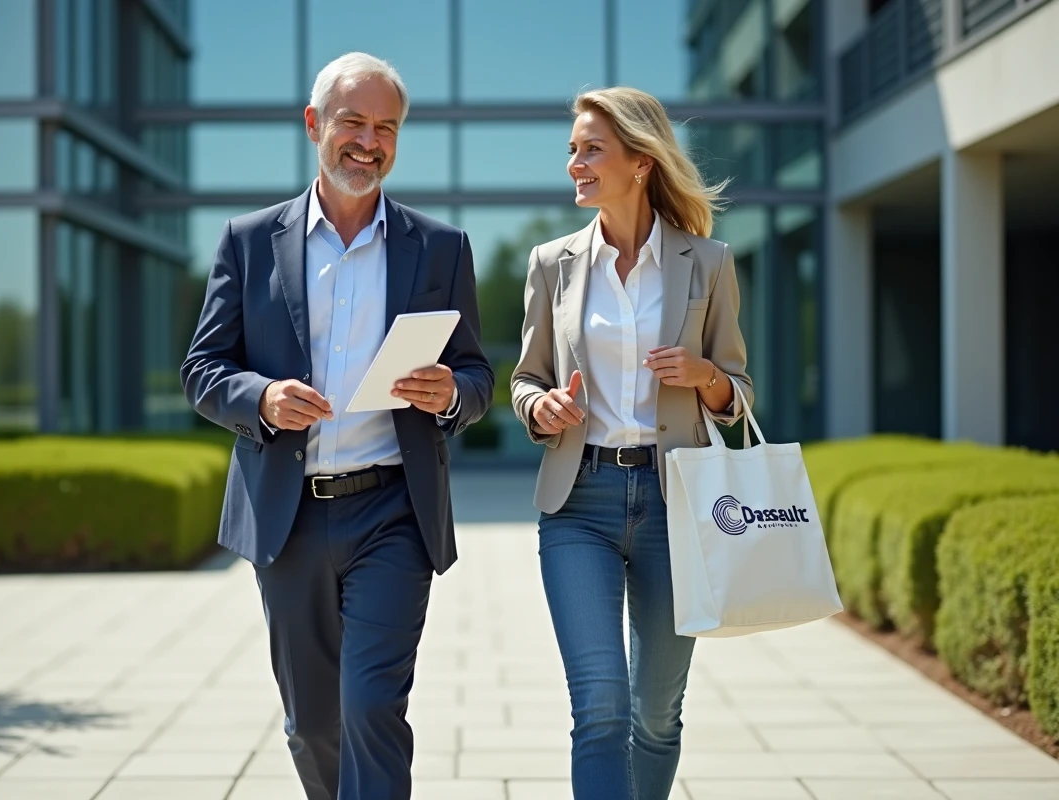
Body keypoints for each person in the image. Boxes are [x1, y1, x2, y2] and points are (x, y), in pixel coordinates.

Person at [180, 52, 493, 800]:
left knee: (372, 709)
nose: (369, 140)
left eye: (386, 127)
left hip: (394, 510)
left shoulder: (439, 249)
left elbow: (480, 377)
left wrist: (451, 390)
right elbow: (202, 369)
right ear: (315, 124)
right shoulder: (250, 242)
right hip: (287, 518)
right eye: (353, 122)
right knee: (313, 725)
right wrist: (260, 399)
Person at [510, 87, 754, 799]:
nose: (574, 164)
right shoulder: (551, 264)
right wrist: (542, 407)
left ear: (641, 163)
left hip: (674, 504)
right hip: (577, 502)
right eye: (572, 150)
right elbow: (525, 379)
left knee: (655, 713)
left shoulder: (706, 262)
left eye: (591, 150)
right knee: (600, 710)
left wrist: (707, 375)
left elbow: (738, 397)